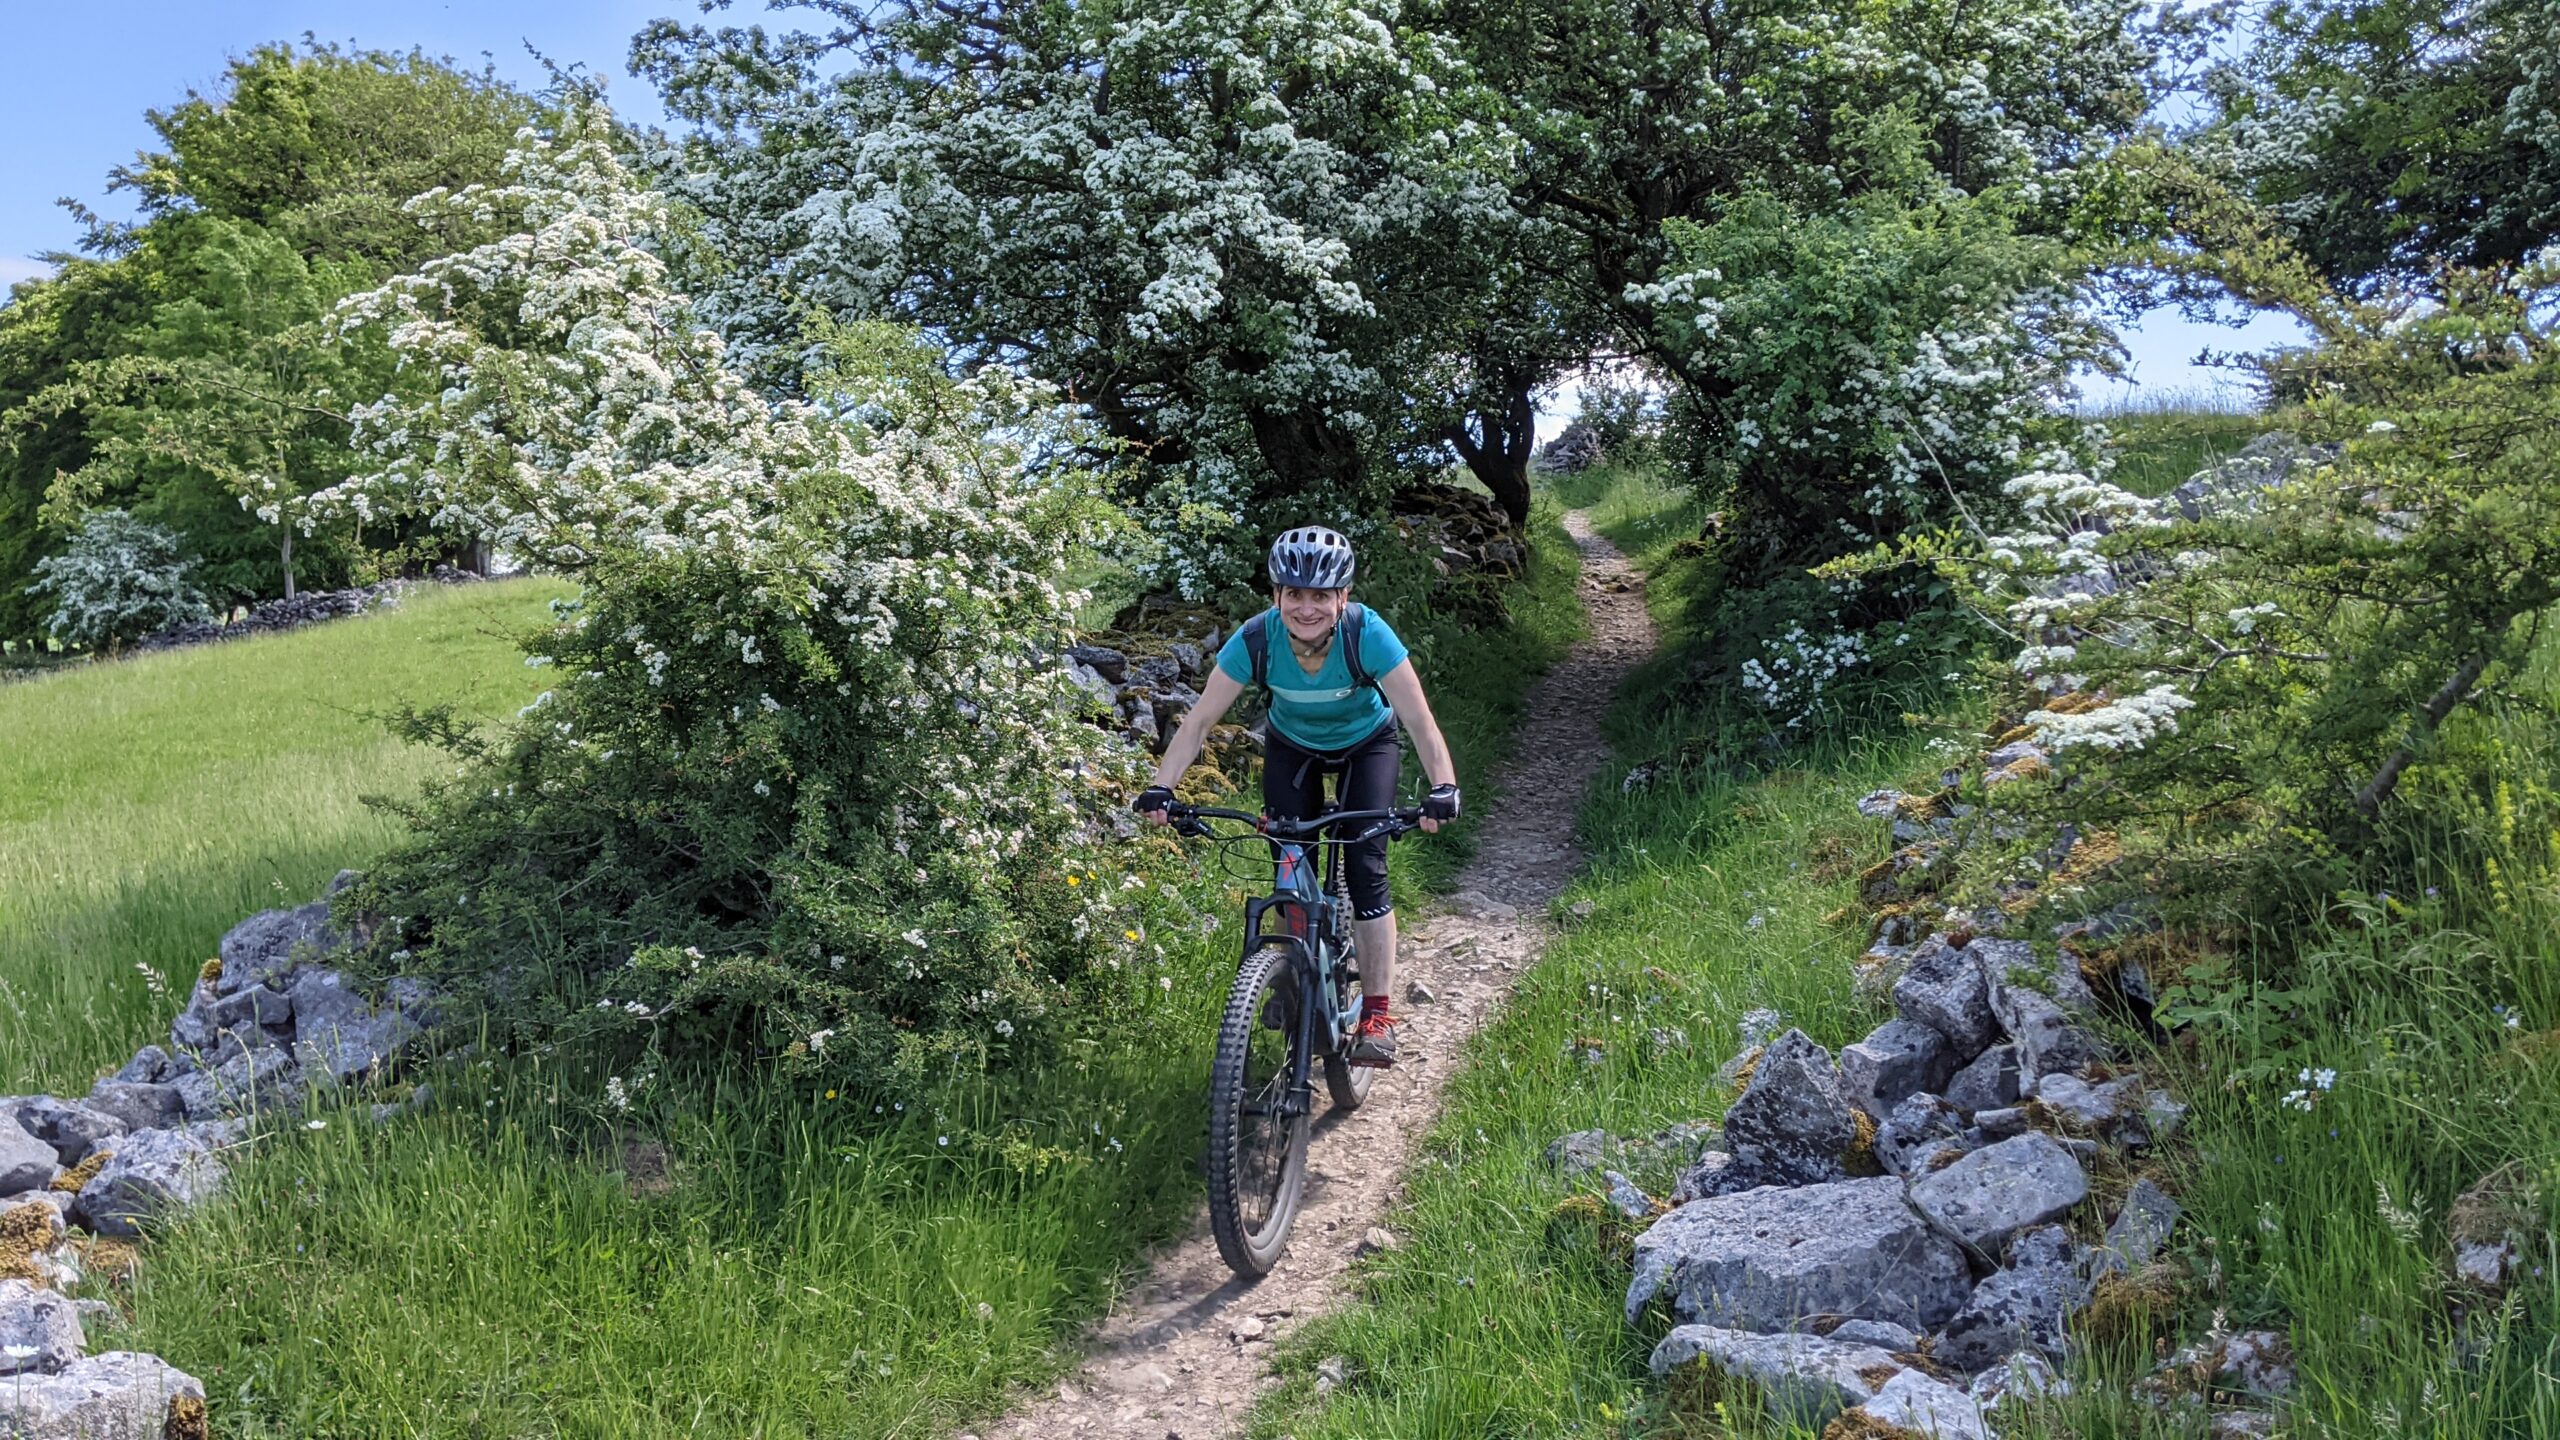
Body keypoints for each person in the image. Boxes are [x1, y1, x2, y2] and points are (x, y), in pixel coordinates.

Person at [1134, 525, 1460, 1068]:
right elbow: (1197, 724)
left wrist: (1443, 787)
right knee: (1288, 864)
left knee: (1364, 865)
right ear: (1277, 596)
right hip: (1293, 747)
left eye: (1320, 596)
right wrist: (1162, 787)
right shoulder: (1257, 640)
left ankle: (1377, 1014)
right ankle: (1292, 978)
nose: (1306, 608)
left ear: (1342, 598)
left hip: (1367, 746)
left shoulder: (1368, 635)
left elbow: (1419, 721)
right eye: (1295, 594)